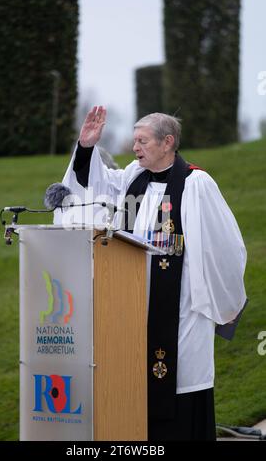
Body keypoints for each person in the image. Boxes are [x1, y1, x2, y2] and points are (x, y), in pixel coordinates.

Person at [54, 106, 247, 441]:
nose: (135, 147)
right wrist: (85, 147)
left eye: (142, 141)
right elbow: (94, 189)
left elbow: (225, 245)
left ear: (167, 142)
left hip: (182, 306)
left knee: (182, 380)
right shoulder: (134, 176)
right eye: (134, 141)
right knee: (137, 379)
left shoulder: (195, 183)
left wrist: (214, 296)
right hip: (135, 302)